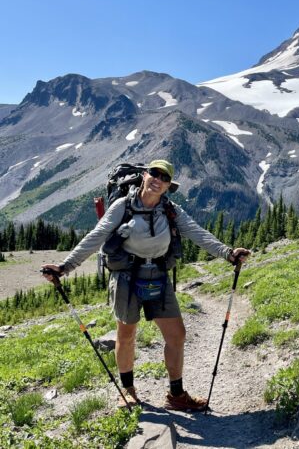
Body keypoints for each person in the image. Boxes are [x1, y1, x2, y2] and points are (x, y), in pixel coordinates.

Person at [42, 159, 250, 411]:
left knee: (177, 335)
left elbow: (198, 233)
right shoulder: (122, 206)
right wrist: (65, 267)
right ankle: (128, 392)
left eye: (164, 178)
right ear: (144, 175)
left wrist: (228, 253)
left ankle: (176, 395)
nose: (158, 179)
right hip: (126, 276)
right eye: (154, 173)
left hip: (158, 275)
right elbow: (96, 236)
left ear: (168, 186)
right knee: (126, 335)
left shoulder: (171, 210)